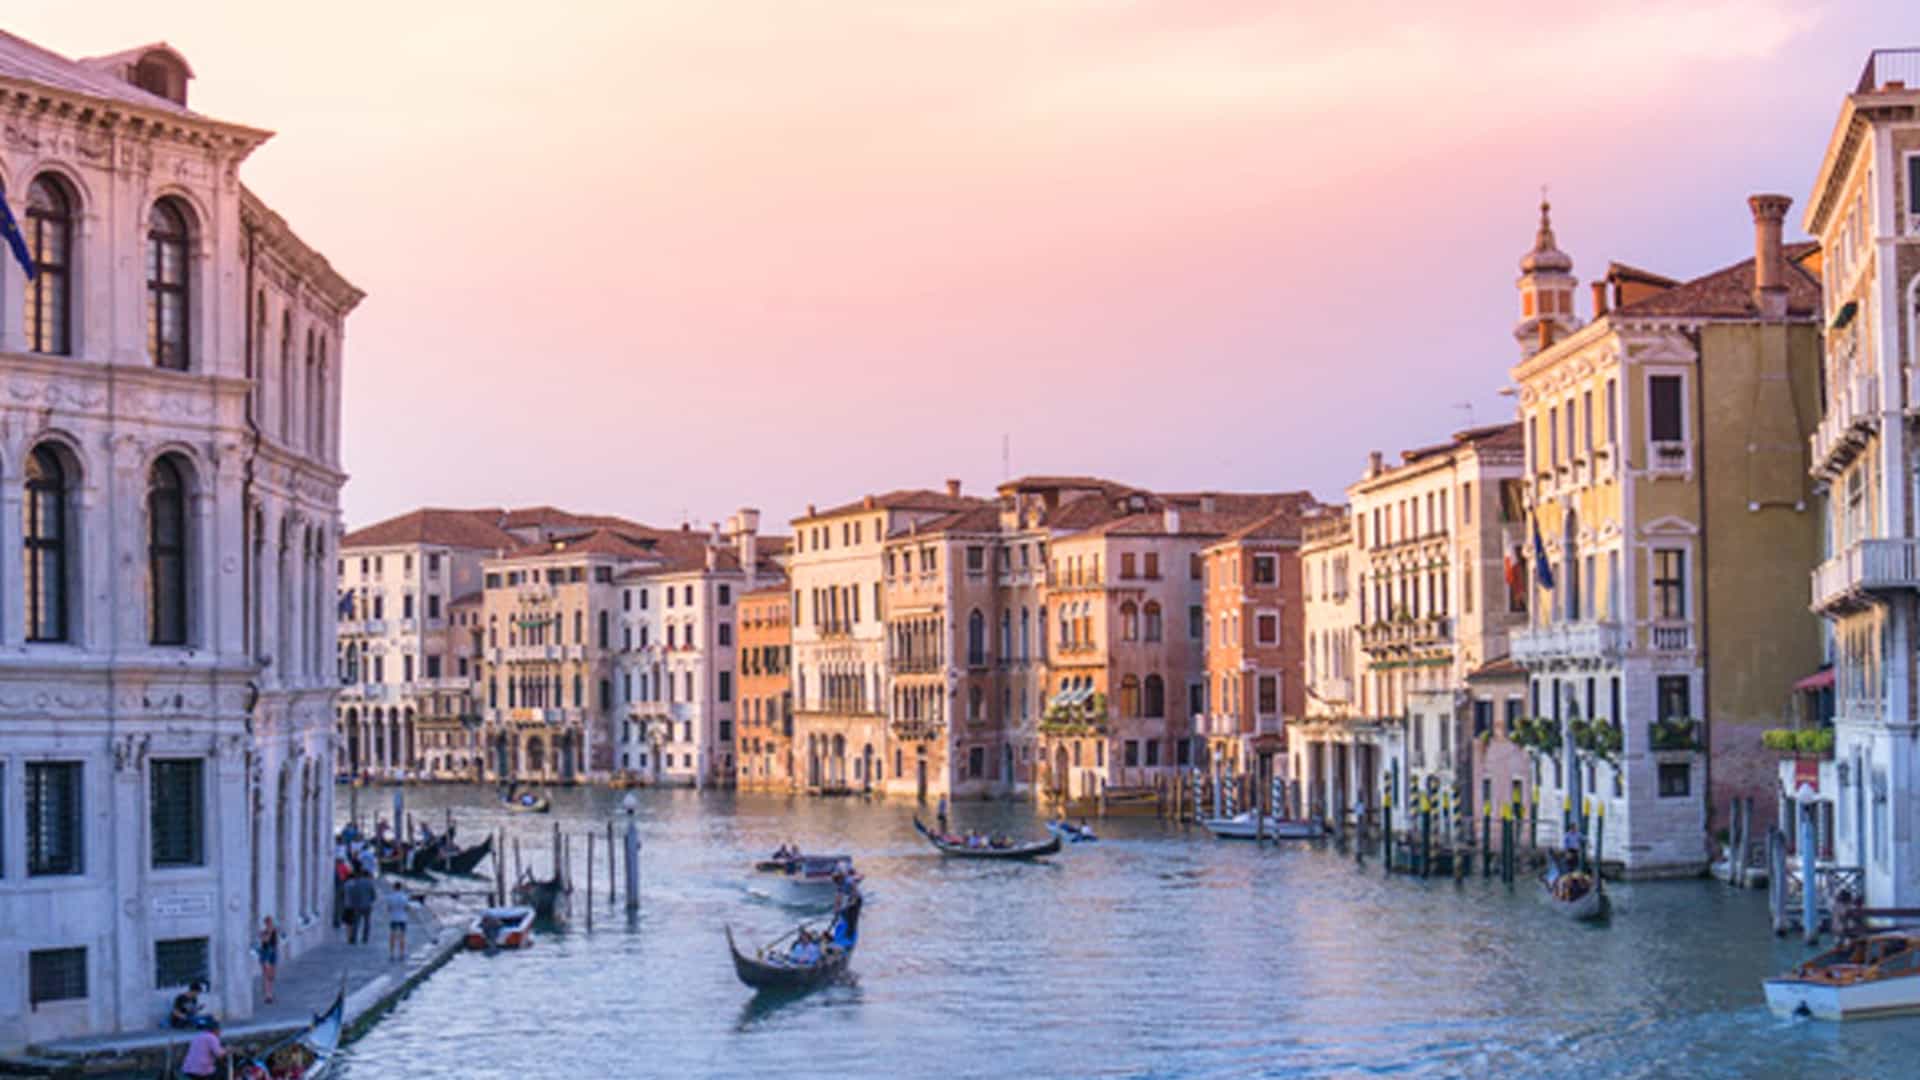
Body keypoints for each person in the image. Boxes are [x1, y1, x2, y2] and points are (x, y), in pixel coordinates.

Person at [345, 870, 377, 945]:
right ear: (368, 875)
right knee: (367, 922)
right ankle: (365, 938)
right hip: (367, 905)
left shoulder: (357, 882)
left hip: (357, 905)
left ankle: (354, 937)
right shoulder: (370, 883)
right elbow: (373, 895)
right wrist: (370, 900)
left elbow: (353, 893)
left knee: (356, 922)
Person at [386, 880, 413, 962]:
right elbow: (407, 908)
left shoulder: (390, 896)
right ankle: (401, 954)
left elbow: (389, 909)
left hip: (393, 918)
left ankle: (391, 954)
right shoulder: (405, 896)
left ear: (394, 887)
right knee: (402, 937)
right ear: (401, 888)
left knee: (392, 936)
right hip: (402, 918)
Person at [257, 916, 281, 1004]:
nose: (270, 924)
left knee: (272, 975)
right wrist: (269, 933)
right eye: (268, 923)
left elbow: (276, 942)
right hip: (265, 953)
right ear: (266, 923)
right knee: (267, 974)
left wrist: (273, 932)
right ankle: (268, 995)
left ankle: (269, 991)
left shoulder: (274, 931)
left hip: (273, 952)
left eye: (271, 923)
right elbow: (265, 940)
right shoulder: (264, 932)